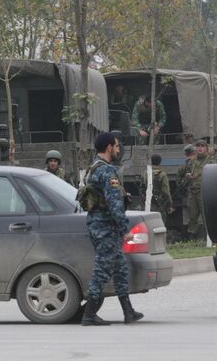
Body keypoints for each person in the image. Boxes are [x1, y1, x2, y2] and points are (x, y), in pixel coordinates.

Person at [81, 132, 144, 326]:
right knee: (102, 269)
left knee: (119, 269)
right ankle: (89, 314)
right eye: (116, 146)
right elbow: (114, 202)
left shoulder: (94, 168)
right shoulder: (107, 171)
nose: (118, 150)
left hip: (101, 225)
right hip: (105, 227)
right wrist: (125, 228)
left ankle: (128, 311)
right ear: (109, 147)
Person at [185, 139, 213, 240]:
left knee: (206, 216)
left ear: (206, 148)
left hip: (204, 191)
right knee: (192, 216)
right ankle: (192, 237)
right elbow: (187, 173)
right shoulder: (192, 161)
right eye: (198, 146)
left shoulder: (211, 161)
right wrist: (188, 176)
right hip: (193, 191)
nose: (200, 148)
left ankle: (209, 238)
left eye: (202, 146)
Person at [140, 154, 173, 225]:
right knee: (160, 223)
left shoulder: (145, 173)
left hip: (148, 203)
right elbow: (166, 191)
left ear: (151, 162)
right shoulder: (162, 174)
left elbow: (142, 188)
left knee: (148, 223)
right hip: (159, 204)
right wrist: (169, 204)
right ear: (160, 162)